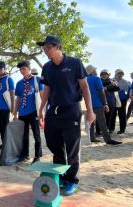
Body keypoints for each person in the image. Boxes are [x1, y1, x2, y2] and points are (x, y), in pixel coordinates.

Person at [37, 35, 95, 196]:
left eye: (48, 47)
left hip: (71, 111)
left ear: (58, 47)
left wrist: (90, 110)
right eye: (44, 47)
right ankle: (61, 176)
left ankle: (72, 180)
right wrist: (41, 109)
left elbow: (85, 87)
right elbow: (47, 90)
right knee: (54, 146)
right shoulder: (47, 67)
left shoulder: (74, 63)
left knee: (72, 148)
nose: (45, 50)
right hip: (53, 111)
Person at [13, 60, 43, 164]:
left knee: (36, 134)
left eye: (24, 69)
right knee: (24, 135)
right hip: (22, 113)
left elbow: (42, 96)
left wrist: (42, 111)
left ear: (29, 69)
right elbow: (18, 99)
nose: (22, 71)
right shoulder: (19, 83)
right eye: (20, 69)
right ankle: (25, 155)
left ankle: (37, 156)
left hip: (34, 112)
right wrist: (15, 112)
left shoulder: (37, 80)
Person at [86, 65, 122, 145]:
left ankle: (92, 138)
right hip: (97, 104)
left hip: (88, 104)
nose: (96, 71)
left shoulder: (85, 79)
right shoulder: (96, 78)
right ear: (92, 71)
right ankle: (108, 140)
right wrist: (105, 103)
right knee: (102, 123)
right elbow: (101, 91)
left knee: (91, 122)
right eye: (95, 69)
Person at [100, 70, 120, 134]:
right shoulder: (99, 80)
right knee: (102, 117)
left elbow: (117, 88)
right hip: (101, 101)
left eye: (106, 74)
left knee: (111, 116)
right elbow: (99, 88)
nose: (104, 75)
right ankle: (102, 129)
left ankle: (110, 129)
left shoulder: (112, 80)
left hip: (111, 101)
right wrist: (109, 87)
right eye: (102, 74)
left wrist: (106, 88)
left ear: (108, 75)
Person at [113, 69, 130, 134]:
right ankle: (111, 129)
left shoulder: (125, 81)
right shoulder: (112, 80)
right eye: (119, 73)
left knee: (122, 114)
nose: (120, 75)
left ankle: (122, 130)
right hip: (113, 100)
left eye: (121, 73)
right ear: (116, 73)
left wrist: (126, 98)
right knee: (112, 114)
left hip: (122, 100)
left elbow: (128, 91)